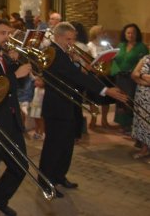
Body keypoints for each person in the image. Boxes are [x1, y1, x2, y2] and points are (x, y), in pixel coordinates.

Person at [38, 22, 128, 198]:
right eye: (68, 39)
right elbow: (75, 76)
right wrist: (105, 90)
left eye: (73, 39)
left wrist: (78, 62)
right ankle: (46, 182)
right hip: (57, 107)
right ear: (57, 37)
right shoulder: (52, 53)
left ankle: (59, 176)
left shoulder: (64, 52)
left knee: (67, 145)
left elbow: (75, 75)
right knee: (53, 147)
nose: (72, 43)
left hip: (70, 104)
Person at [0, 18, 32, 216]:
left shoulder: (6, 56)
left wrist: (16, 63)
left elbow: (15, 84)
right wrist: (14, 76)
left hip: (12, 119)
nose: (7, 37)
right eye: (3, 33)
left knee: (21, 165)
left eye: (9, 33)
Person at [110, 23, 148, 133]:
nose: (130, 35)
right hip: (120, 77)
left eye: (133, 33)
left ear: (137, 34)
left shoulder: (142, 47)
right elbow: (114, 60)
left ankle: (130, 124)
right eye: (128, 33)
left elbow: (144, 63)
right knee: (120, 99)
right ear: (125, 34)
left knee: (130, 100)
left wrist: (134, 72)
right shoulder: (121, 45)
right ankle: (122, 123)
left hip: (132, 78)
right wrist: (116, 70)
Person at [131, 55, 150, 159]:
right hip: (141, 96)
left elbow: (138, 75)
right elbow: (133, 75)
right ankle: (144, 148)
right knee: (142, 122)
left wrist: (141, 75)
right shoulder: (145, 58)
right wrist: (144, 80)